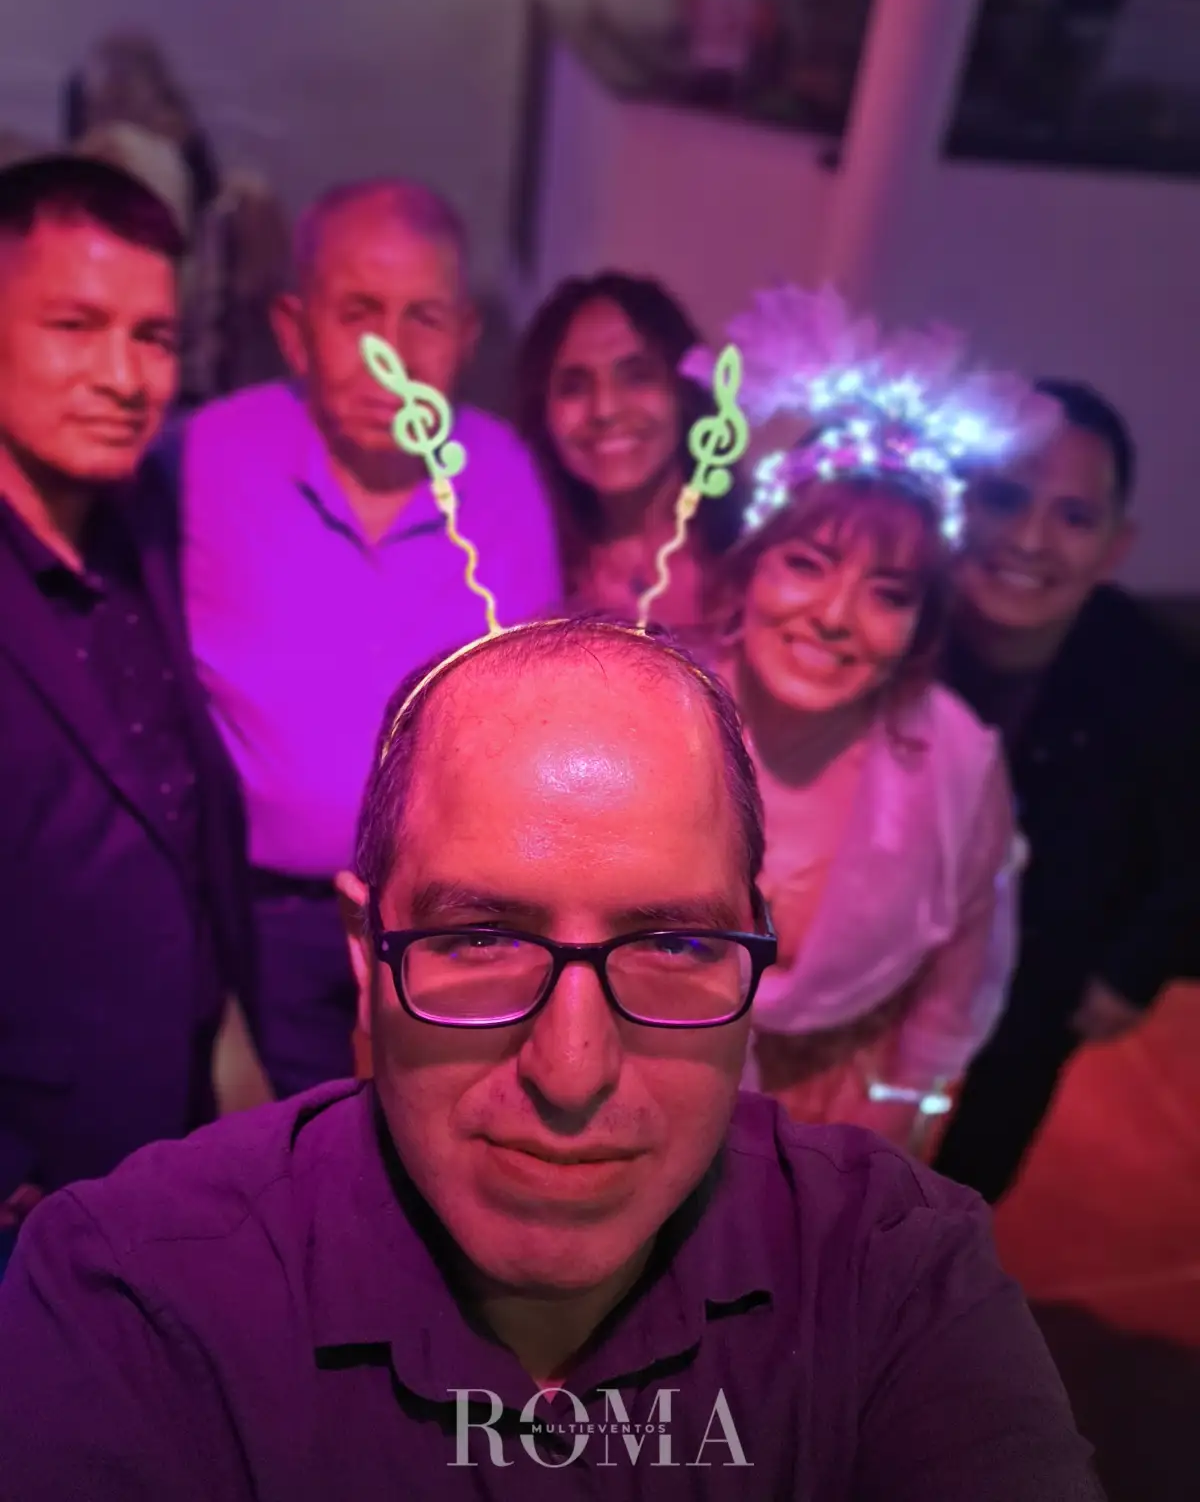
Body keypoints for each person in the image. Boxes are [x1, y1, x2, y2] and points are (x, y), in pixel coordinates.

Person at [0, 615, 1102, 1500]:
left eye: (675, 944)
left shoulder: (894, 1272)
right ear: (365, 953)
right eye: (479, 938)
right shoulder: (137, 1296)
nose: (573, 1075)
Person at [180, 178, 560, 1100]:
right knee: (302, 1132)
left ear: (465, 337)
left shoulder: (507, 477)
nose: (392, 354)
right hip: (261, 914)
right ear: (294, 328)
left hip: (451, 914)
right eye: (358, 313)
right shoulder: (203, 458)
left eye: (423, 317)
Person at [688, 286, 1043, 1153]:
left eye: (888, 594)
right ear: (752, 569)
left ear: (921, 623)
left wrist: (902, 1112)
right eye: (808, 564)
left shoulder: (954, 761)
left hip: (841, 1121)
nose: (835, 617)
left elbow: (962, 962)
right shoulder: (660, 707)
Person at [0, 156, 253, 1251]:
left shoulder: (140, 515)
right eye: (74, 325)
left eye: (152, 337)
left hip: (161, 1127)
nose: (123, 376)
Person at [934, 381, 1200, 1203]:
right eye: (1004, 498)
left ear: (1116, 547)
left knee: (979, 1153)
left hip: (1047, 963)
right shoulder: (894, 625)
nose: (1028, 539)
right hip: (886, 955)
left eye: (1073, 517)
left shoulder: (1156, 678)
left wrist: (1130, 973)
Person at [514, 271, 744, 638]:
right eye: (574, 386)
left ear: (684, 390)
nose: (605, 409)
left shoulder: (756, 560)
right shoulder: (521, 572)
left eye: (637, 376)